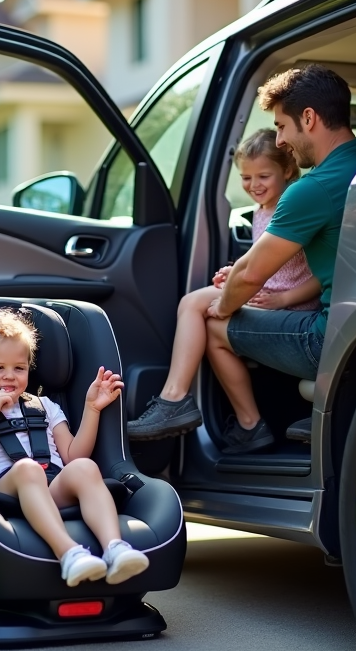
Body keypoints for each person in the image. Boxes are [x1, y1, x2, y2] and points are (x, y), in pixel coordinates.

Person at [130, 65, 356, 450]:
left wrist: (224, 305)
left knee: (207, 319)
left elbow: (250, 277)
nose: (280, 141)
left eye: (281, 126)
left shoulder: (312, 189)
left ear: (309, 118)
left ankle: (215, 415)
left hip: (326, 339)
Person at [128, 129, 321, 453]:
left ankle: (174, 399)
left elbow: (323, 273)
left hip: (292, 306)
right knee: (203, 317)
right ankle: (248, 425)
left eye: (263, 175)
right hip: (266, 295)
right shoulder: (261, 212)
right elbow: (267, 265)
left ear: (287, 170)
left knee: (192, 303)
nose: (254, 185)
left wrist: (284, 298)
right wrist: (236, 274)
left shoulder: (293, 207)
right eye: (246, 177)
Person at [0, 309, 150, 587]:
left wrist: (91, 408)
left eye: (19, 368)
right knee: (28, 470)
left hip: (50, 485)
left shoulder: (44, 406)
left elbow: (72, 456)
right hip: (1, 492)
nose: (9, 376)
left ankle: (115, 548)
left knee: (85, 467)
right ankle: (69, 553)